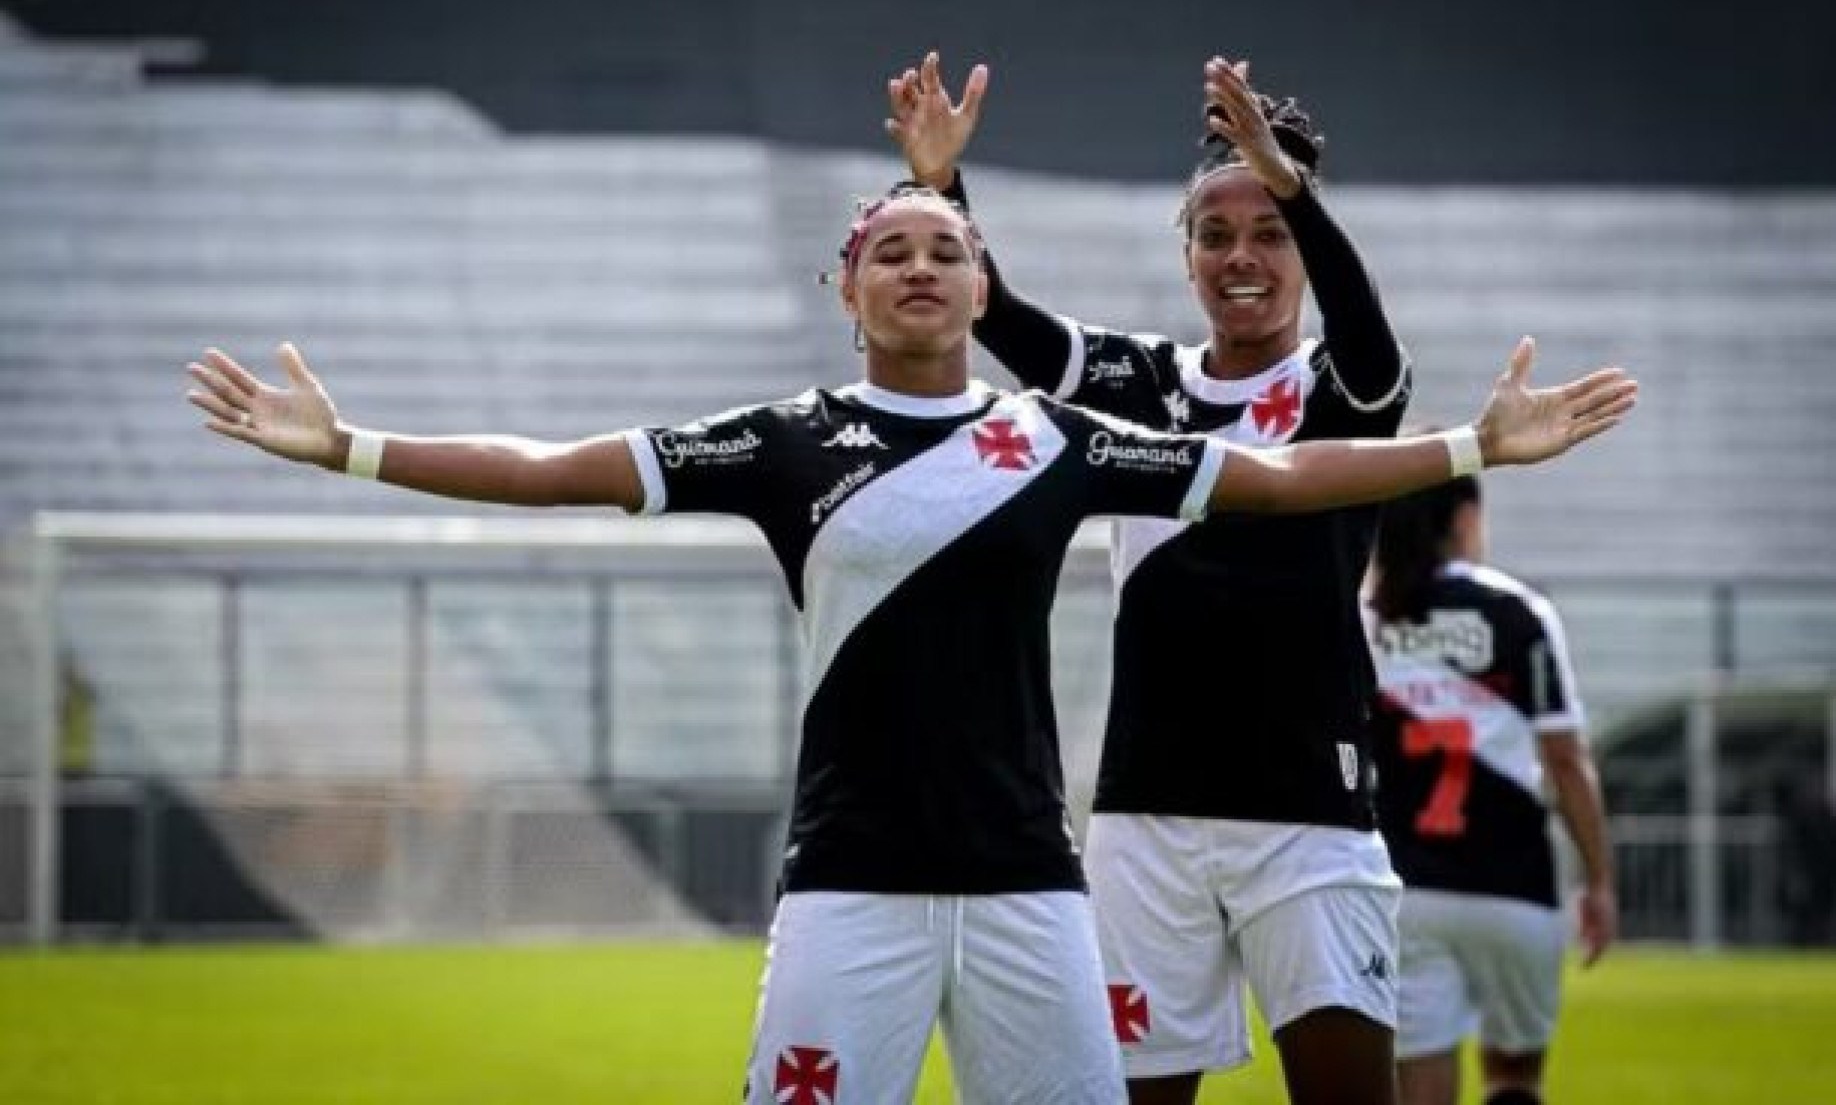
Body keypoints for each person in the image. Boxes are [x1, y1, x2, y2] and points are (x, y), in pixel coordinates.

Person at [186, 186, 1633, 1105]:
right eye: (893, 249)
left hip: (1032, 891)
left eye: (947, 246)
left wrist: (1460, 444)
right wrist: (351, 448)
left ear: (979, 280)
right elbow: (551, 463)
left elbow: (1275, 478)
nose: (922, 266)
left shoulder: (1058, 436)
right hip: (850, 884)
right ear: (850, 288)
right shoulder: (782, 437)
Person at [887, 52, 1415, 1104]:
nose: (1242, 256)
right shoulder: (1142, 382)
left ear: (1303, 250)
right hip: (1148, 820)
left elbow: (1372, 348)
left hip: (1310, 815)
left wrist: (1293, 188)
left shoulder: (1336, 388)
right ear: (1186, 259)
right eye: (1215, 235)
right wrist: (941, 189)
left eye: (1268, 231)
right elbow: (1001, 318)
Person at [1367, 469, 1618, 1105]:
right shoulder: (1519, 612)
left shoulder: (1369, 618)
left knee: (1421, 1079)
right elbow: (1565, 759)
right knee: (1513, 1079)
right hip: (1513, 886)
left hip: (1405, 892)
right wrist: (1601, 880)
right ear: (1466, 516)